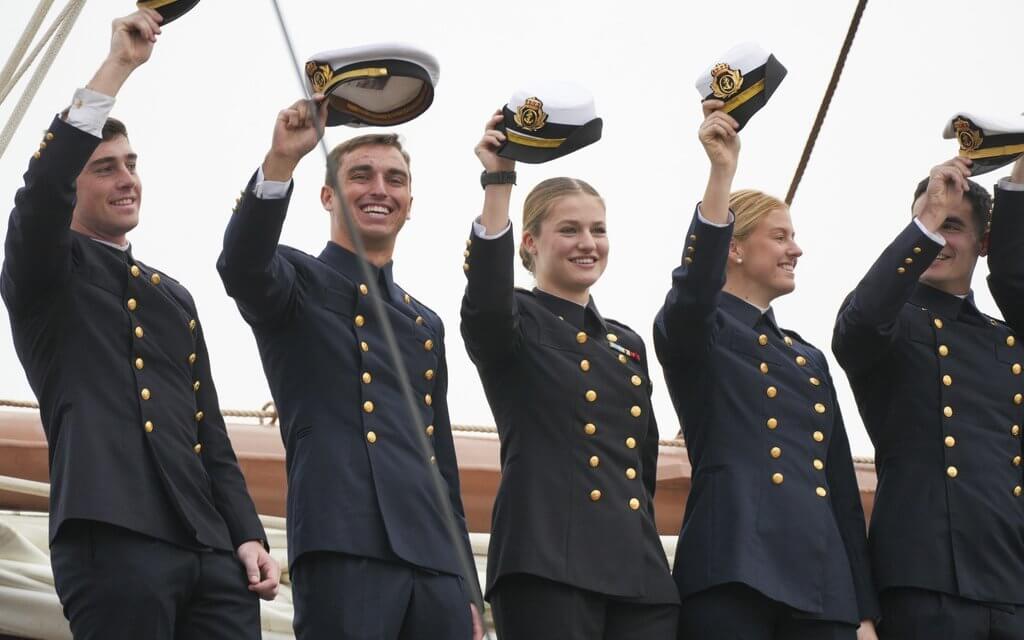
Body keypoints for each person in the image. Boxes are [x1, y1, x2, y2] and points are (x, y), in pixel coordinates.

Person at [0, 10, 278, 639]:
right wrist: (119, 66)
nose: (127, 179)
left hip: (212, 553)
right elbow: (40, 188)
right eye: (105, 167)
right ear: (73, 188)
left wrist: (246, 533)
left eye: (131, 164)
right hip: (112, 536)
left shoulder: (173, 298)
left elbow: (209, 433)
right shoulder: (47, 275)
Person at [217, 95, 482, 639]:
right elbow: (241, 263)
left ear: (411, 201)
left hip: (435, 564)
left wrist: (468, 590)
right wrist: (282, 160)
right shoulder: (295, 279)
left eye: (395, 179)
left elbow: (442, 466)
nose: (379, 189)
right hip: (345, 542)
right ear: (328, 195)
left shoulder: (424, 322)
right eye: (360, 176)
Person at [653, 100, 878, 639]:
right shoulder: (699, 331)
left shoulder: (808, 358)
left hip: (823, 587)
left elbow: (841, 493)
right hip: (733, 571)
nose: (796, 249)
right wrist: (721, 174)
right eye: (779, 236)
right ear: (733, 248)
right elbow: (692, 293)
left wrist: (864, 611)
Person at [460, 111, 680, 639]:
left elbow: (640, 463)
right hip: (548, 562)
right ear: (530, 243)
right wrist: (498, 183)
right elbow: (486, 301)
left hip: (638, 572)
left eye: (598, 230)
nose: (588, 243)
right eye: (570, 229)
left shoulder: (626, 343)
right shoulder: (511, 319)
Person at [832, 154, 1024, 639]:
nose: (938, 238)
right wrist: (929, 220)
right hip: (924, 584)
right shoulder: (891, 324)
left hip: (1012, 582)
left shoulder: (1009, 340)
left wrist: (1017, 185)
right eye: (928, 222)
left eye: (952, 225)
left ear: (984, 243)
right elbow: (860, 322)